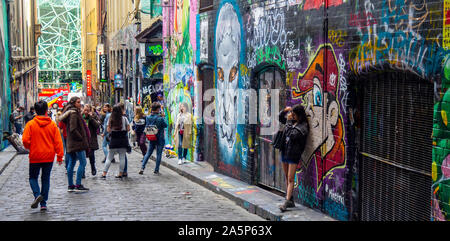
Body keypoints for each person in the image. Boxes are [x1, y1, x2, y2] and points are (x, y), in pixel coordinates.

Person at [22, 100, 64, 211]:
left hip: (35, 155)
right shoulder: (52, 125)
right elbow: (58, 142)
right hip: (49, 155)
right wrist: (59, 156)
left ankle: (37, 195)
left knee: (33, 178)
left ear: (35, 111)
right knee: (45, 179)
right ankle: (43, 203)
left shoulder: (30, 124)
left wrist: (30, 147)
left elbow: (25, 140)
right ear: (46, 110)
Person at [277, 104, 309, 212]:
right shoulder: (292, 122)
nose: (292, 116)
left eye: (294, 115)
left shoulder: (303, 126)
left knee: (291, 179)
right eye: (292, 114)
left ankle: (286, 203)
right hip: (285, 151)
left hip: (293, 155)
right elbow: (280, 118)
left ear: (299, 115)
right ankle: (290, 200)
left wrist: (289, 122)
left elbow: (292, 135)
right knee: (287, 177)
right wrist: (284, 110)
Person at [63, 97, 90, 192]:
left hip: (71, 142)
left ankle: (71, 185)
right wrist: (81, 138)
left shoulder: (70, 112)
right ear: (74, 103)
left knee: (72, 162)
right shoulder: (74, 113)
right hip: (77, 143)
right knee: (83, 162)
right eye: (78, 102)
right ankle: (78, 184)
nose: (80, 104)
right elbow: (73, 128)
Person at [101, 105, 130, 178]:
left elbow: (108, 130)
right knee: (122, 157)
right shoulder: (124, 118)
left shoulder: (111, 119)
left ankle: (104, 173)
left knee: (109, 158)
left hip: (113, 140)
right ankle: (120, 173)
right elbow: (128, 129)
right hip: (123, 140)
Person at [140, 102, 167, 175]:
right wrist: (163, 117)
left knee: (148, 153)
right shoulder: (160, 118)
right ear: (158, 109)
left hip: (151, 136)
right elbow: (165, 125)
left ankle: (142, 167)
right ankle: (156, 170)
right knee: (158, 154)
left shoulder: (148, 117)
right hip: (160, 137)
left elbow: (147, 125)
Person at [83, 104, 101, 176]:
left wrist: (90, 118)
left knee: (91, 155)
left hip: (91, 139)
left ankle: (93, 167)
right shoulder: (81, 116)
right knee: (83, 157)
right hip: (83, 139)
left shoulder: (93, 116)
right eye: (85, 110)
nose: (86, 112)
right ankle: (82, 171)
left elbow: (97, 125)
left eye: (87, 110)